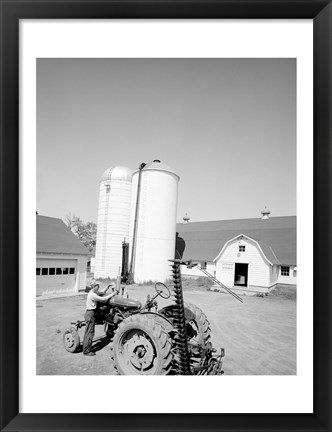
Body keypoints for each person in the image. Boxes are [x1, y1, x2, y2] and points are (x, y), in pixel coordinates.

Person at [82, 281, 117, 356]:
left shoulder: (94, 292)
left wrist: (108, 286)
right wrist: (113, 294)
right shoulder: (92, 294)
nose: (99, 287)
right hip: (90, 313)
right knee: (89, 332)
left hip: (92, 313)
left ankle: (86, 347)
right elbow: (103, 299)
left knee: (90, 331)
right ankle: (86, 351)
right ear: (95, 286)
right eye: (98, 286)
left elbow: (102, 292)